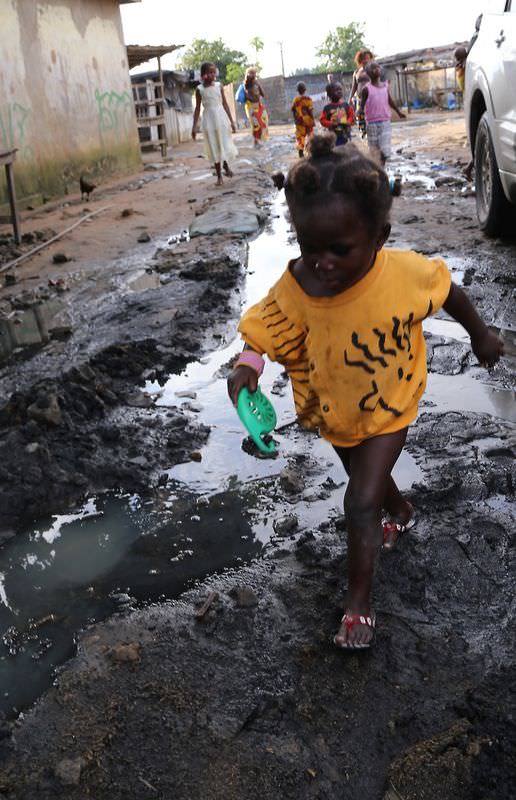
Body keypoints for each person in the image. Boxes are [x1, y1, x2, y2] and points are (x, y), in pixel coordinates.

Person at [227, 133, 503, 650]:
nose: (323, 262)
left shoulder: (401, 273)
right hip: (332, 404)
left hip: (390, 399)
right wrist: (248, 363)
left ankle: (358, 605)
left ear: (379, 234)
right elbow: (266, 324)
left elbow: (446, 290)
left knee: (358, 499)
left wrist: (481, 334)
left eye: (339, 249)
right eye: (310, 248)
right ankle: (400, 513)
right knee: (361, 474)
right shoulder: (299, 285)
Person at [192, 62, 237, 186]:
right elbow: (197, 109)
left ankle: (226, 167)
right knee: (214, 145)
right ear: (203, 75)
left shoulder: (219, 86)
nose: (212, 74)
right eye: (209, 72)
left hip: (221, 118)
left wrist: (231, 122)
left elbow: (225, 104)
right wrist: (194, 127)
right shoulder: (199, 90)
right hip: (209, 120)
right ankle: (219, 176)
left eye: (213, 72)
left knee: (223, 142)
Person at [361, 60, 406, 165]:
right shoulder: (366, 89)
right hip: (371, 123)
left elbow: (390, 100)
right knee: (374, 150)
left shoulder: (385, 86)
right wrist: (359, 113)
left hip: (385, 122)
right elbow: (361, 105)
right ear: (368, 73)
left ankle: (382, 168)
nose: (376, 69)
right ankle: (377, 168)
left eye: (377, 67)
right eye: (373, 68)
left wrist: (398, 112)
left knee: (384, 149)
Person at [349, 49, 374, 138]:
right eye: (363, 58)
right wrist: (350, 99)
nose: (365, 60)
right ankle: (363, 133)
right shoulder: (356, 72)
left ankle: (372, 135)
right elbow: (354, 87)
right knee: (360, 117)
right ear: (360, 60)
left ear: (371, 59)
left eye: (367, 58)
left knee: (371, 118)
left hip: (371, 98)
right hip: (359, 99)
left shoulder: (373, 71)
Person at [244, 67, 269, 147]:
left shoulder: (256, 83)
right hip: (250, 106)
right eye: (251, 73)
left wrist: (258, 85)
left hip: (258, 105)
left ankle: (260, 139)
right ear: (247, 74)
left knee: (264, 121)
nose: (253, 75)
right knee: (255, 123)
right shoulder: (246, 83)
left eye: (254, 73)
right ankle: (256, 142)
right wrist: (249, 78)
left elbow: (263, 94)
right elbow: (246, 88)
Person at [291, 82, 315, 157]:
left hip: (299, 121)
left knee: (300, 136)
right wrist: (313, 119)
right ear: (305, 89)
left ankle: (301, 151)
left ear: (297, 90)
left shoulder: (295, 99)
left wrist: (295, 120)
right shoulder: (308, 99)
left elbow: (293, 110)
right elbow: (310, 110)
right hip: (308, 120)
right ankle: (310, 151)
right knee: (310, 135)